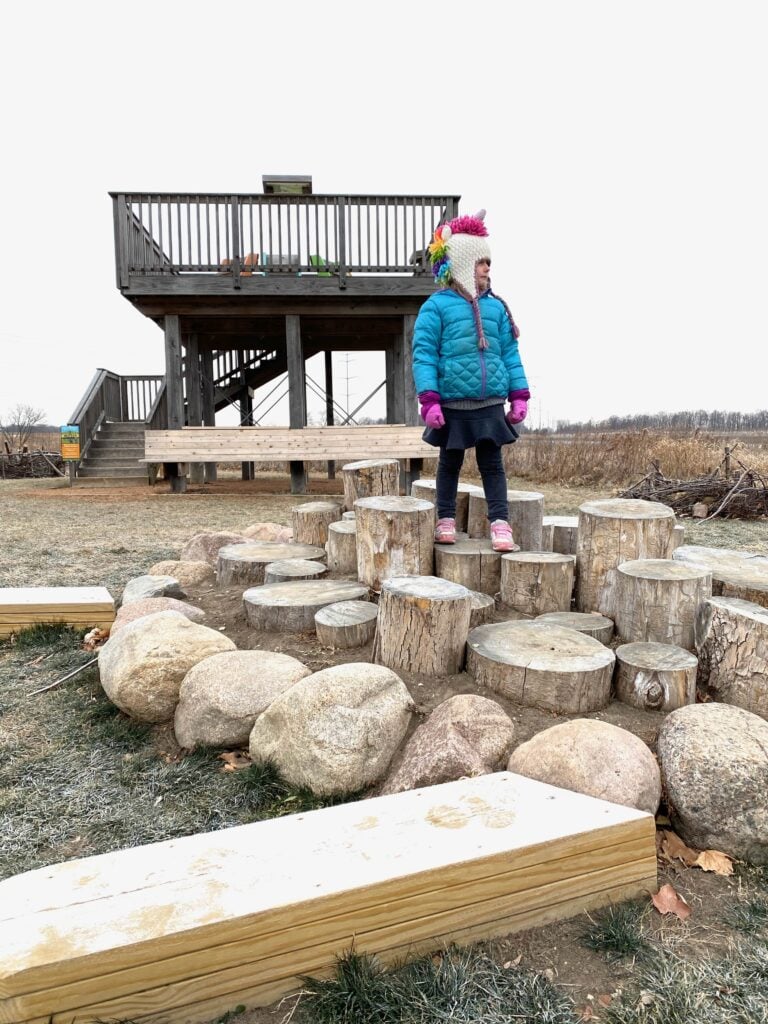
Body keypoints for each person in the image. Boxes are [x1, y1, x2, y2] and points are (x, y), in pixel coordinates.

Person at [411, 210, 530, 552]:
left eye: (489, 262)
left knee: (492, 465)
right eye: (481, 261)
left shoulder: (497, 308)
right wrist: (429, 399)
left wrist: (519, 394)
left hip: (490, 401)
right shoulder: (437, 307)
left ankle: (500, 523)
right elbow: (424, 355)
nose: (487, 268)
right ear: (462, 263)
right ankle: (445, 519)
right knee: (450, 463)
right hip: (451, 401)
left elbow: (509, 354)